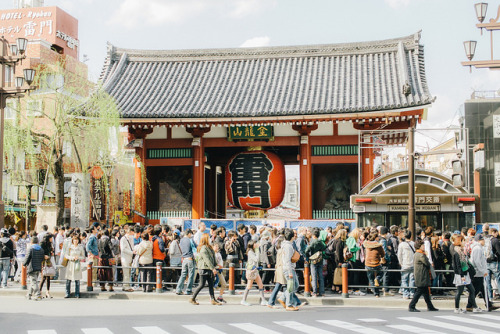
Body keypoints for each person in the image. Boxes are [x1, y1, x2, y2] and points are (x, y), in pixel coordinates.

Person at [452, 234, 481, 313]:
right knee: (460, 291)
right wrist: (461, 276)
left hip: (465, 274)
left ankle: (475, 307)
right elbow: (457, 266)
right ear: (460, 241)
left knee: (472, 290)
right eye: (463, 240)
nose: (465, 242)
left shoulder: (461, 251)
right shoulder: (457, 253)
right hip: (460, 275)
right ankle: (457, 308)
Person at [190, 234, 221, 305]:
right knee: (201, 284)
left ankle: (213, 299)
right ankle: (192, 298)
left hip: (208, 268)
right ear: (205, 239)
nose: (210, 239)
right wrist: (213, 268)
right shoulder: (203, 248)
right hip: (204, 268)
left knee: (211, 284)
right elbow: (207, 259)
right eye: (208, 238)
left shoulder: (209, 247)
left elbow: (212, 258)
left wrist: (216, 265)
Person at [408, 239, 439, 312]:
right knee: (419, 291)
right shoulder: (421, 255)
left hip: (421, 275)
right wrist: (426, 255)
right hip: (422, 276)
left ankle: (430, 306)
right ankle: (411, 306)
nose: (424, 246)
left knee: (426, 293)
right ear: (419, 246)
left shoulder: (417, 254)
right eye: (423, 245)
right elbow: (427, 263)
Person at [470, 234, 498, 311]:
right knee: (476, 290)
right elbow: (477, 262)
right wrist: (482, 271)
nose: (484, 241)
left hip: (479, 272)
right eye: (483, 240)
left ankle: (488, 304)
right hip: (477, 273)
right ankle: (469, 305)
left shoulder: (479, 248)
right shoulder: (477, 249)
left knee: (482, 289)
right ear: (479, 240)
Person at [278, 228, 299, 311]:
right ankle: (289, 304)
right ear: (292, 237)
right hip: (289, 268)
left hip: (288, 268)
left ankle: (283, 298)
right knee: (291, 286)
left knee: (294, 285)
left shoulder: (285, 244)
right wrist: (290, 272)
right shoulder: (288, 246)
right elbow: (287, 260)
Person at [241, 240, 267, 306]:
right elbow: (256, 259)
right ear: (252, 244)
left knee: (260, 285)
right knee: (249, 286)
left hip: (255, 270)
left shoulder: (252, 251)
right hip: (251, 271)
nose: (256, 244)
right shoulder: (250, 252)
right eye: (255, 243)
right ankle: (243, 300)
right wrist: (257, 249)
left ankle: (263, 300)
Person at [305, 228, 326, 297]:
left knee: (314, 277)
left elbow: (306, 250)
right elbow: (324, 248)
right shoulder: (320, 242)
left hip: (313, 260)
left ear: (313, 235)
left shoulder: (313, 242)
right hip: (320, 260)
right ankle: (322, 292)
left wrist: (308, 256)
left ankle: (314, 292)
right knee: (321, 276)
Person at [363, 232, 385, 298]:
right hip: (376, 264)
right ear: (375, 237)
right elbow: (383, 254)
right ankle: (377, 279)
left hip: (368, 263)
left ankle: (376, 294)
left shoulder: (366, 244)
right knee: (381, 273)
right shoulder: (378, 245)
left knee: (371, 279)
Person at [23, 236, 44, 301]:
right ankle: (28, 294)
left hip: (31, 267)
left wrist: (24, 264)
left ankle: (38, 294)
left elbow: (27, 257)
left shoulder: (30, 248)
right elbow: (42, 258)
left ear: (31, 241)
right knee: (33, 281)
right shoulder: (41, 249)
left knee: (34, 282)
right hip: (38, 267)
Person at [176, 229, 196, 295]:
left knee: (183, 274)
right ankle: (188, 290)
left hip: (184, 259)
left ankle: (178, 289)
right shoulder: (190, 240)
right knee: (191, 275)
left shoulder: (181, 240)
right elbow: (195, 247)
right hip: (190, 259)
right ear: (189, 234)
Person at [398, 230, 415, 300]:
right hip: (412, 264)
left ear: (404, 236)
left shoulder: (402, 244)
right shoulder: (413, 244)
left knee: (404, 280)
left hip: (405, 264)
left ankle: (405, 294)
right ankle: (412, 293)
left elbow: (399, 255)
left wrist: (401, 263)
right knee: (412, 280)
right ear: (411, 236)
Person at [120, 226, 135, 292]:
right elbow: (123, 249)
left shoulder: (131, 238)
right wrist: (131, 252)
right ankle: (126, 287)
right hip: (125, 258)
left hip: (129, 258)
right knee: (126, 273)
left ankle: (125, 285)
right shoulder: (123, 239)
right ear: (131, 231)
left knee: (128, 273)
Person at [40, 234, 54, 299]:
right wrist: (43, 256)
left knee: (48, 276)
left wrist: (51, 252)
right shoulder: (42, 244)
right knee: (43, 277)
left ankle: (47, 291)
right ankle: (40, 291)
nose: (52, 239)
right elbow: (39, 252)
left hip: (48, 260)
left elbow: (50, 251)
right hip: (43, 261)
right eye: (51, 238)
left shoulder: (50, 244)